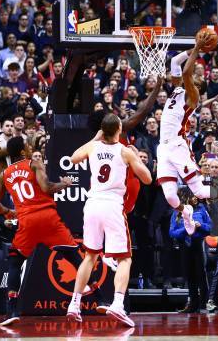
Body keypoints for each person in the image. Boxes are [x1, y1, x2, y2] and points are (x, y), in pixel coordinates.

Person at [66, 114, 152, 327]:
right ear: (119, 128)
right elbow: (148, 179)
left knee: (89, 256)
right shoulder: (124, 151)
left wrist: (95, 138)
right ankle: (118, 304)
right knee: (125, 259)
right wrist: (135, 156)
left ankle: (74, 304)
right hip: (112, 205)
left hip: (92, 203)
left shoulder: (93, 147)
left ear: (101, 130)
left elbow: (73, 157)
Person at [0, 136, 77, 326]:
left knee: (15, 262)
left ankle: (12, 311)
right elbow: (46, 188)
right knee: (76, 259)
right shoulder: (34, 163)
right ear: (23, 152)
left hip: (26, 221)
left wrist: (8, 211)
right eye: (28, 146)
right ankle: (101, 298)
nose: (30, 148)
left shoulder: (4, 174)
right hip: (47, 217)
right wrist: (65, 184)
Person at [157, 32, 213, 235]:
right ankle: (186, 212)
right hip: (163, 147)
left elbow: (187, 70)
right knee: (171, 196)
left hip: (177, 145)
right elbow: (175, 61)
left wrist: (198, 47)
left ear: (198, 86)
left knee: (198, 191)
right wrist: (192, 49)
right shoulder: (180, 88)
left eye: (199, 78)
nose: (198, 74)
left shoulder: (193, 94)